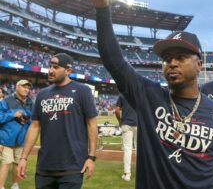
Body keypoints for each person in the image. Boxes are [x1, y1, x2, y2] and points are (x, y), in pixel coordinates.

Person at [85, 0, 213, 188]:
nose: (171, 62)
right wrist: (103, 9)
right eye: (166, 58)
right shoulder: (148, 96)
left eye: (181, 56)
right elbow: (114, 61)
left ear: (200, 65)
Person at [17, 53, 98, 189]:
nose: (50, 70)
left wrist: (91, 157)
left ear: (68, 71)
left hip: (72, 166)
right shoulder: (42, 94)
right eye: (49, 66)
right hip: (45, 167)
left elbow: (92, 124)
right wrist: (23, 158)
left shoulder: (82, 91)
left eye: (55, 67)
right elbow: (35, 126)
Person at [0, 80, 33, 189]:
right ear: (17, 87)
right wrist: (12, 114)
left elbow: (34, 121)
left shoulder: (30, 102)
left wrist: (26, 117)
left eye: (28, 88)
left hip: (22, 140)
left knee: (18, 164)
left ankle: (15, 184)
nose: (26, 89)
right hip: (7, 139)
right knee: (6, 163)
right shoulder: (6, 101)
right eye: (24, 87)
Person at [114, 94, 137, 181]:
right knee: (139, 150)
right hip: (138, 124)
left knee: (128, 149)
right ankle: (141, 173)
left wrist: (120, 121)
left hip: (126, 124)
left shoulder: (122, 95)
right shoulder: (139, 95)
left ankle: (127, 174)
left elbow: (116, 110)